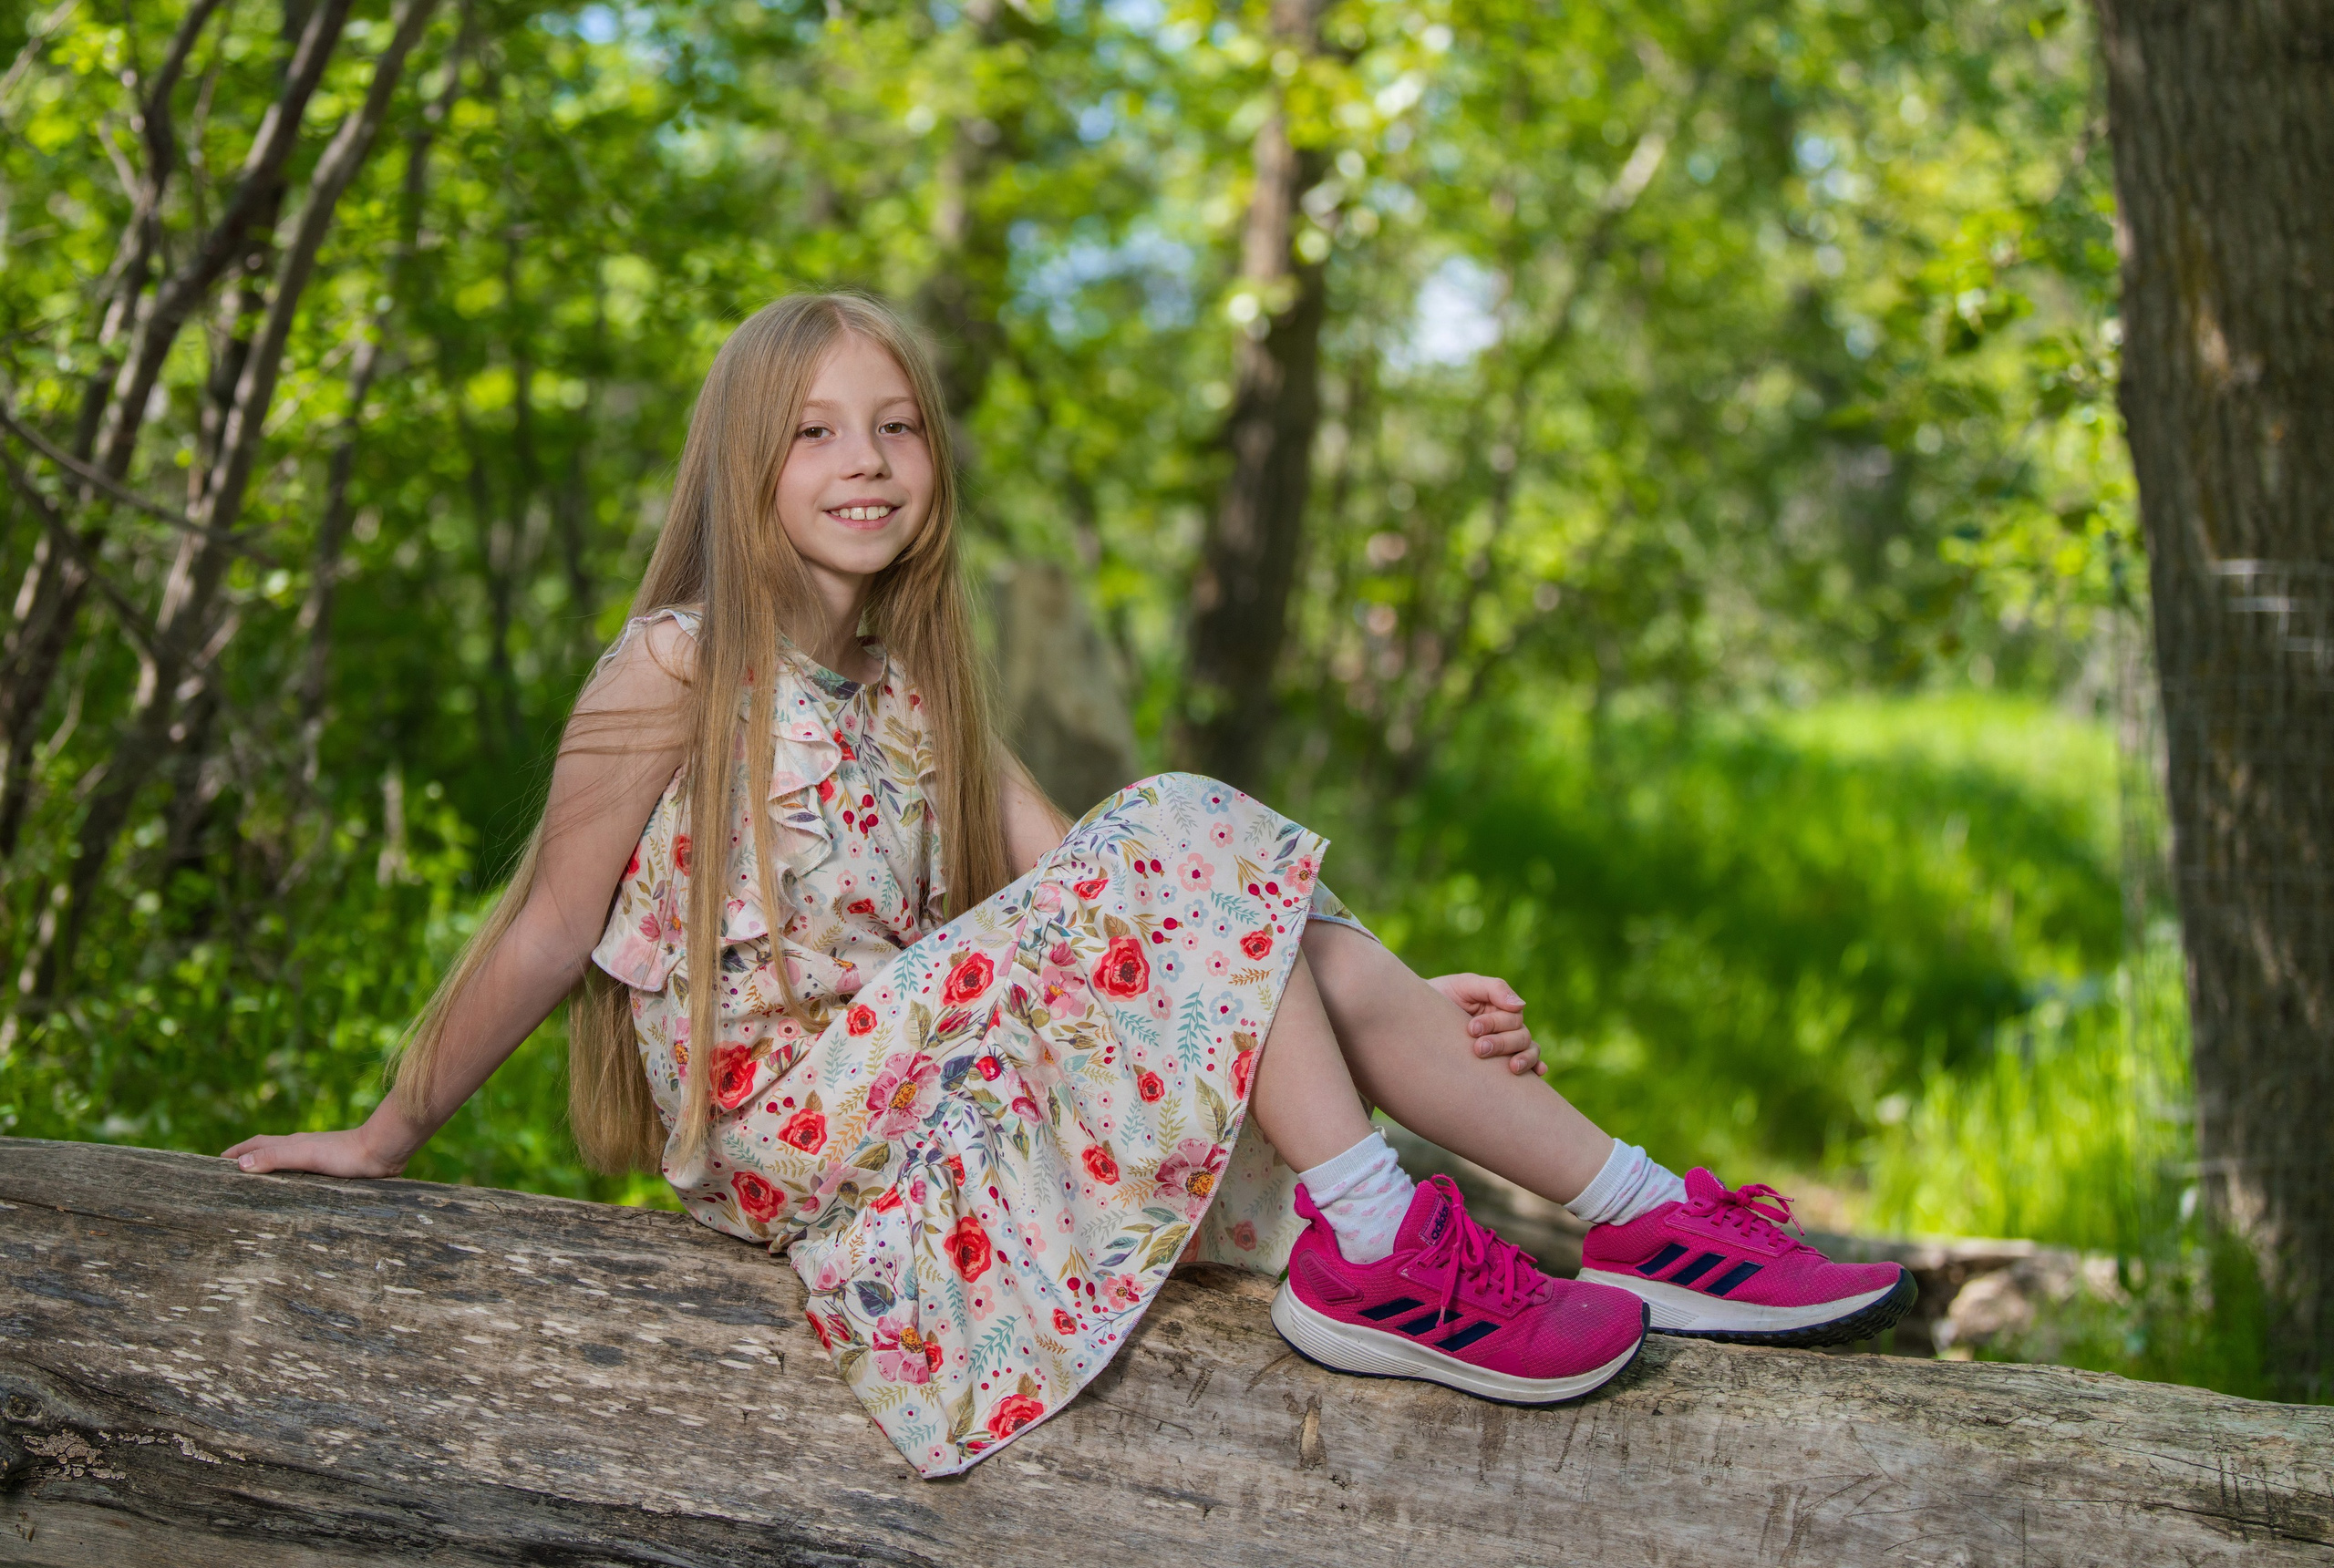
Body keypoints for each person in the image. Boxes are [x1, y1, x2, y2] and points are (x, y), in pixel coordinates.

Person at [223, 292, 1912, 1478]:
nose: (865, 459)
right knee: (1180, 819)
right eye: (814, 432)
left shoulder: (912, 680)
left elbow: (1102, 889)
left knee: (1252, 931)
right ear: (742, 468)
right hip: (801, 1131)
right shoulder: (679, 663)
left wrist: (1368, 980)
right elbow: (538, 930)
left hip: (937, 1104)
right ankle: (1381, 1245)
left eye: (895, 426)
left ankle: (1641, 1225)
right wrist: (386, 1131)